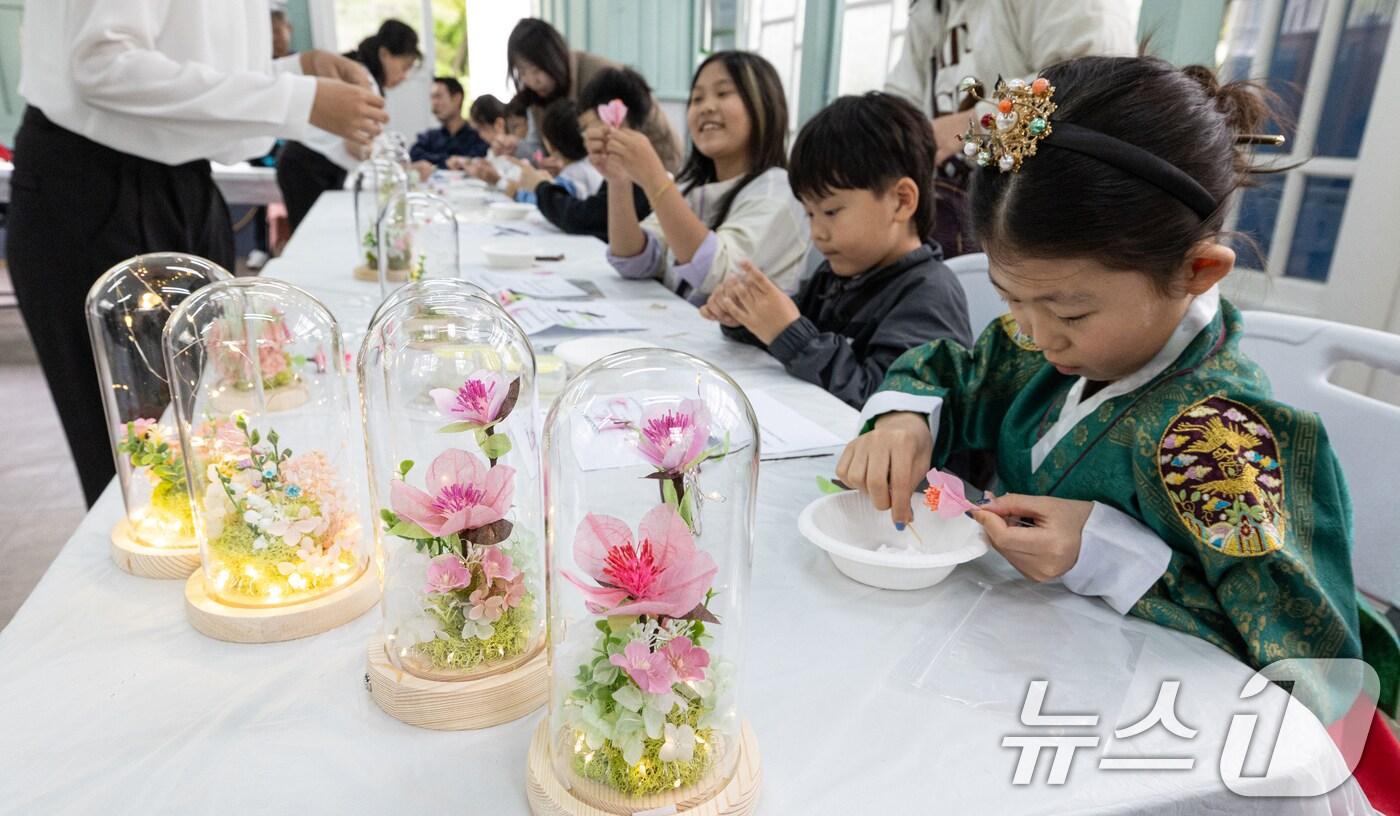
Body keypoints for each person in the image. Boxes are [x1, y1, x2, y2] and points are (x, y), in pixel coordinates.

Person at [838, 56, 1400, 800]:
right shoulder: (1050, 345)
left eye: (1068, 313)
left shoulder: (1219, 442)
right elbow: (958, 373)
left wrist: (1106, 554)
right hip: (1034, 684)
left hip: (1166, 746)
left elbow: (1302, 667)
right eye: (1012, 301)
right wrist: (906, 415)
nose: (1033, 337)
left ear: (1199, 271)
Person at [7, 1, 386, 506]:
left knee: (209, 434)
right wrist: (299, 98)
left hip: (180, 182)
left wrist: (298, 71)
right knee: (141, 474)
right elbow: (100, 65)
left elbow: (181, 70)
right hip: (100, 190)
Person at [699, 93, 972, 409]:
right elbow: (796, 335)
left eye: (831, 212)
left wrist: (787, 332)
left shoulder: (930, 294)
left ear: (901, 200)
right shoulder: (837, 275)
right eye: (810, 214)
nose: (818, 232)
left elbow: (883, 403)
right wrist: (748, 318)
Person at [884, 0, 1137, 257]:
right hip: (957, 209)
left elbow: (1096, 82)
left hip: (1038, 213)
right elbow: (901, 98)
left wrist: (973, 122)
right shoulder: (929, 8)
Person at [593, 51, 808, 305]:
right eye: (697, 98)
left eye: (723, 93)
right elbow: (633, 261)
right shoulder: (693, 188)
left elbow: (716, 274)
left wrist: (654, 178)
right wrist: (619, 181)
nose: (706, 107)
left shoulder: (778, 192)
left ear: (764, 105)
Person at [277, 19, 421, 231]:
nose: (404, 77)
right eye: (404, 66)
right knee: (312, 239)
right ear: (385, 54)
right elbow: (356, 146)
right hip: (307, 165)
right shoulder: (363, 79)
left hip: (310, 162)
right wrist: (400, 166)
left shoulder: (359, 71)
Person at [506, 18, 682, 172]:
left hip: (655, 168)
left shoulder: (600, 75)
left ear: (554, 58)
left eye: (537, 70)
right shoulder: (537, 97)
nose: (531, 80)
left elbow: (653, 130)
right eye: (522, 72)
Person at [523, 67, 653, 241]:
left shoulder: (639, 174)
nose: (584, 138)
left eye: (587, 126)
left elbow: (585, 218)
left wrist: (541, 188)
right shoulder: (618, 171)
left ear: (615, 118)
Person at [507, 99, 603, 204]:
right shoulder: (595, 166)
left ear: (551, 146)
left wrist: (517, 194)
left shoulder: (570, 176)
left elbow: (550, 203)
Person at [409, 76, 489, 181]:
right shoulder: (430, 137)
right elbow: (414, 154)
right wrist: (445, 161)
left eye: (438, 96)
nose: (434, 103)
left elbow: (479, 160)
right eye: (432, 98)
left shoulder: (478, 135)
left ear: (457, 99)